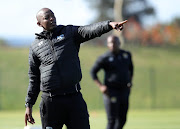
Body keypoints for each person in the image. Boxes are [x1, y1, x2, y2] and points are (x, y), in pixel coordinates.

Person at [24, 8, 128, 129]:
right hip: (51, 103)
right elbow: (34, 78)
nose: (52, 18)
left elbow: (89, 30)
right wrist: (29, 105)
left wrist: (109, 25)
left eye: (53, 16)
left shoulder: (69, 32)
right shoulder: (35, 46)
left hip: (74, 98)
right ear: (39, 23)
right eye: (47, 17)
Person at [90, 35, 134, 129]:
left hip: (124, 90)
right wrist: (101, 86)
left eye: (115, 42)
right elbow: (93, 72)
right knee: (112, 120)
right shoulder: (105, 57)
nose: (113, 44)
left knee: (122, 119)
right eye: (110, 42)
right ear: (107, 44)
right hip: (111, 91)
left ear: (119, 43)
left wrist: (130, 82)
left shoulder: (126, 55)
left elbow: (131, 69)